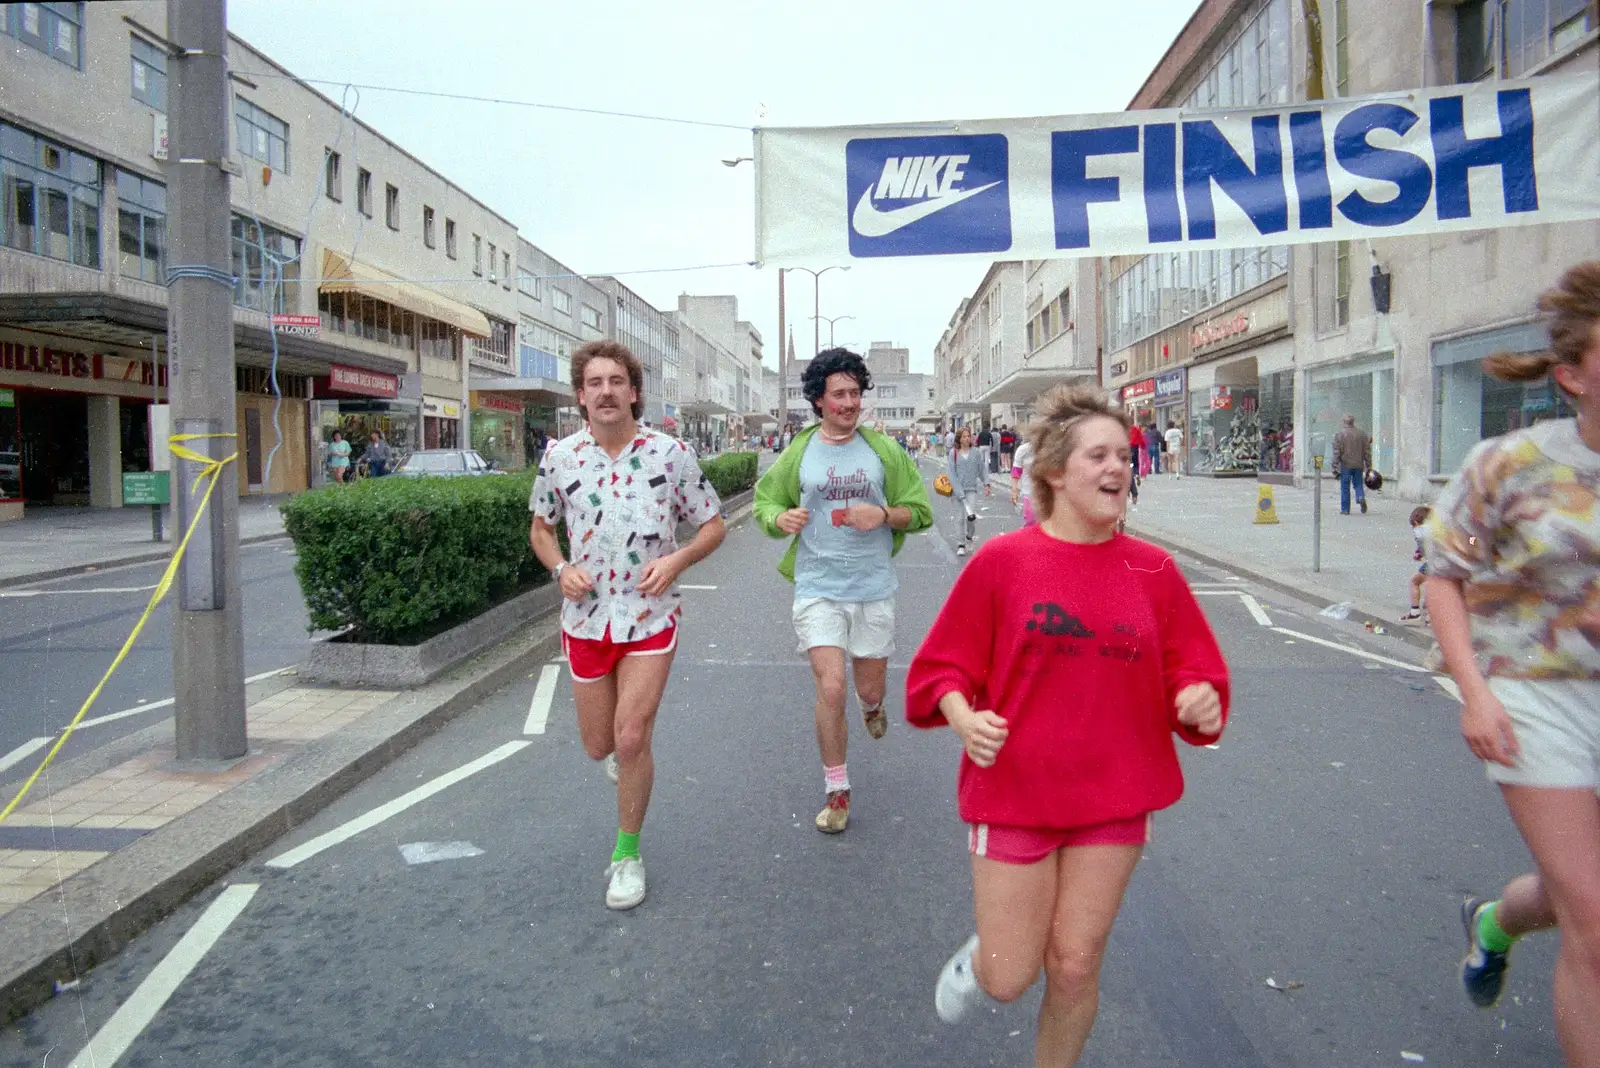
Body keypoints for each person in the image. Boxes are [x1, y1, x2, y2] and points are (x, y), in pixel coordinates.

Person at [907, 384, 1229, 1067]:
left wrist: (1199, 698)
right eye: (1098, 456)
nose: (1118, 468)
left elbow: (1194, 670)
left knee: (1077, 964)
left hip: (1114, 793)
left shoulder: (1154, 570)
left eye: (1123, 456)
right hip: (1016, 791)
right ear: (1056, 470)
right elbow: (939, 670)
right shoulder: (1003, 562)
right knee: (1008, 978)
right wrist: (964, 716)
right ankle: (987, 955)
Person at [1425, 260, 1600, 1061]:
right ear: (1572, 376)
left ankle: (1494, 921)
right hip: (1535, 699)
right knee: (1595, 923)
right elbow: (1443, 575)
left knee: (1573, 900)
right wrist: (1474, 693)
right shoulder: (1511, 463)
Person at [528, 340, 726, 910]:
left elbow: (712, 525)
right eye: (595, 383)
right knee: (599, 746)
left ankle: (626, 855)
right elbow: (541, 529)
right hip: (586, 619)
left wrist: (677, 559)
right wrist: (561, 568)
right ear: (580, 396)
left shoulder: (671, 454)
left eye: (617, 380)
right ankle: (619, 756)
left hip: (648, 617)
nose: (607, 391)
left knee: (632, 734)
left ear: (634, 391)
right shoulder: (560, 459)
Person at [753, 347, 933, 835]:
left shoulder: (883, 451)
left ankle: (873, 706)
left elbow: (920, 511)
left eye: (855, 393)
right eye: (839, 394)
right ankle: (837, 789)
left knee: (866, 688)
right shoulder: (800, 452)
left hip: (872, 586)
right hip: (818, 586)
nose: (850, 403)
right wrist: (779, 518)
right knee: (830, 687)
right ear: (818, 401)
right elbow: (766, 504)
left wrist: (885, 515)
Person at [947, 426, 985, 557]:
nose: (967, 438)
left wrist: (987, 483)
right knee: (959, 519)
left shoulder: (976, 452)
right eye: (964, 436)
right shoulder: (954, 453)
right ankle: (961, 544)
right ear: (959, 438)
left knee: (971, 518)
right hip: (957, 492)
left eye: (969, 436)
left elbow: (982, 469)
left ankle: (969, 537)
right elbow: (951, 474)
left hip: (971, 490)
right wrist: (959, 492)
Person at [1333, 414, 1372, 515]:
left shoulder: (1340, 434)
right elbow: (1367, 451)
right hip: (1359, 464)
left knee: (1345, 486)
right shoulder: (1361, 434)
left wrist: (1334, 466)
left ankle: (1345, 509)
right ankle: (1360, 496)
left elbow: (1337, 451)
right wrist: (1368, 465)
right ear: (1353, 422)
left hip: (1346, 464)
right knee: (1358, 483)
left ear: (1344, 422)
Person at [1400, 505, 1431, 624]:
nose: (1413, 528)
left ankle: (1415, 613)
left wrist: (1418, 554)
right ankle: (1429, 616)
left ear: (1417, 523)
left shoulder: (1421, 532)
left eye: (1413, 525)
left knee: (1415, 582)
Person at [1009, 433, 1036, 526]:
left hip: (1048, 494)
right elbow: (1015, 473)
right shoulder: (1023, 450)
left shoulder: (1049, 450)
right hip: (1029, 492)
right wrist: (1014, 491)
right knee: (1030, 522)